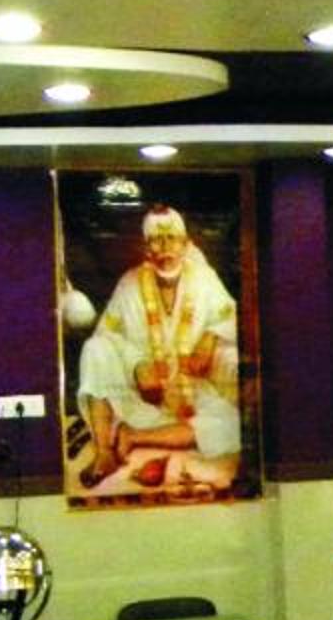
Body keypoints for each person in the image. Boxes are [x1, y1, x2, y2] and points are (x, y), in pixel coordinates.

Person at [74, 204, 241, 491]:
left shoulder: (205, 279)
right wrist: (136, 365)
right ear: (146, 247)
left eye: (171, 239)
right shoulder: (129, 284)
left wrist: (211, 336)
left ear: (185, 243)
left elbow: (231, 317)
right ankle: (104, 452)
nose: (165, 248)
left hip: (193, 392)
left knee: (231, 426)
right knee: (95, 348)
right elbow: (106, 334)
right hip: (141, 398)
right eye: (156, 240)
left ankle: (133, 437)